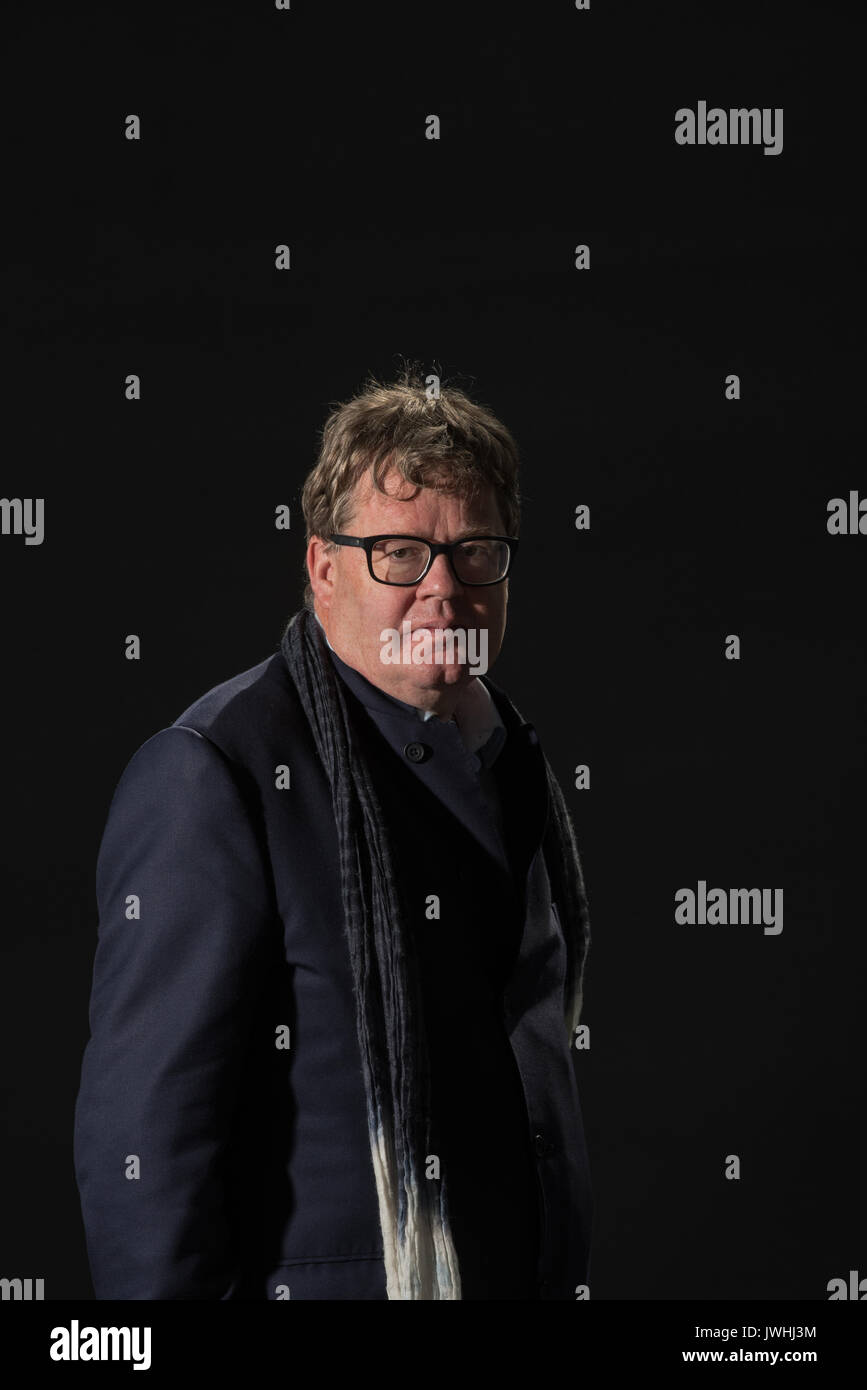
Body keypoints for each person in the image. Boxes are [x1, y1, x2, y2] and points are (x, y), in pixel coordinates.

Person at [73, 369, 594, 1300]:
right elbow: (143, 1144)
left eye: (475, 551)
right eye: (398, 553)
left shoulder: (513, 764)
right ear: (321, 566)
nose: (443, 589)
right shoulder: (215, 772)